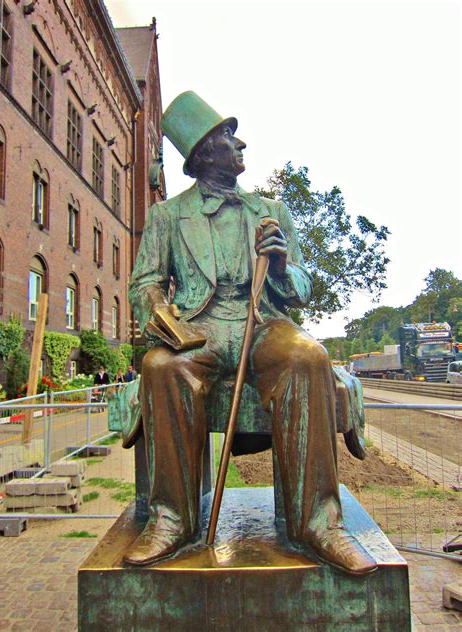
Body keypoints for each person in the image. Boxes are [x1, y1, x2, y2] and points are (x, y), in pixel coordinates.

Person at [126, 92, 376, 575]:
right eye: (226, 136)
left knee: (309, 356)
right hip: (200, 327)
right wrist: (162, 315)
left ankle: (318, 524)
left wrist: (282, 264)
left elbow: (302, 286)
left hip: (263, 323)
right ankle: (172, 520)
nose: (239, 143)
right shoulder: (166, 215)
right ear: (202, 154)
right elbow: (146, 282)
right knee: (161, 366)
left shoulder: (271, 211)